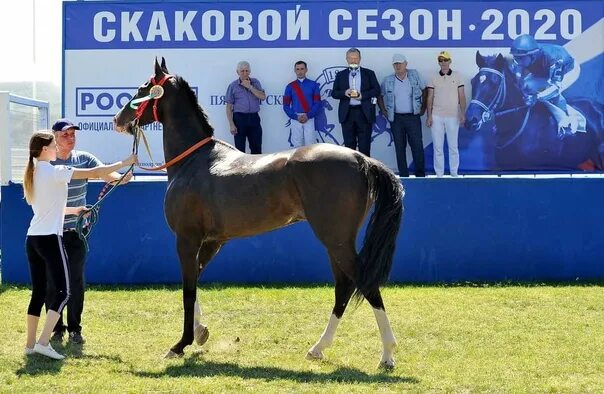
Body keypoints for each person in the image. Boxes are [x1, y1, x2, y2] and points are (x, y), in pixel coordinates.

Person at [23, 131, 136, 360]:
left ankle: (29, 345)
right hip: (49, 239)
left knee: (39, 292)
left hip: (32, 238)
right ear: (44, 149)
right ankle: (44, 342)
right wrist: (126, 162)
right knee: (64, 292)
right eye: (54, 143)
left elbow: (48, 209)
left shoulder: (34, 172)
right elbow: (95, 172)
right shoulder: (56, 171)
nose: (57, 147)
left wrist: (76, 210)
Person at [510, 34, 579, 137]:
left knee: (553, 96)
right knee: (525, 88)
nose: (518, 62)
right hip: (542, 72)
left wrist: (536, 96)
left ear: (532, 56)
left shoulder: (555, 58)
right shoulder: (526, 57)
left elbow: (555, 88)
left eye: (521, 59)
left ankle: (567, 122)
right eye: (516, 58)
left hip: (567, 71)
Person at [380, 53, 427, 177]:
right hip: (396, 119)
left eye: (400, 63)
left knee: (417, 146)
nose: (398, 66)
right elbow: (379, 95)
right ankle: (403, 175)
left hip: (413, 117)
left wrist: (423, 107)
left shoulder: (415, 75)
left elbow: (424, 89)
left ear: (406, 64)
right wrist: (384, 111)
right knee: (400, 148)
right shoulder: (388, 80)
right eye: (395, 63)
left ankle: (420, 175)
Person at [331, 48, 380, 157]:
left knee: (365, 146)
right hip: (347, 114)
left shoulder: (369, 73)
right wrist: (345, 92)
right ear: (346, 59)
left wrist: (362, 96)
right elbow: (334, 93)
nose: (353, 60)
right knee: (348, 146)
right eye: (351, 58)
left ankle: (366, 173)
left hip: (364, 113)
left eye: (356, 58)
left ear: (360, 59)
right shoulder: (341, 75)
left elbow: (377, 90)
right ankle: (350, 172)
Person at [426, 51, 466, 177]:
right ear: (438, 62)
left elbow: (462, 96)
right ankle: (439, 174)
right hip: (436, 116)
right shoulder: (433, 77)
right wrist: (429, 116)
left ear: (450, 61)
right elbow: (430, 97)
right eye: (441, 60)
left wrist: (462, 113)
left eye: (445, 60)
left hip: (453, 116)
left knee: (453, 147)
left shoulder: (458, 76)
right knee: (438, 147)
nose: (443, 63)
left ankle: (454, 173)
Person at [225, 61, 266, 154]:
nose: (245, 73)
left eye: (247, 71)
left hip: (254, 118)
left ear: (250, 71)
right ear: (237, 72)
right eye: (242, 71)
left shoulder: (255, 82)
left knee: (256, 148)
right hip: (239, 119)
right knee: (239, 150)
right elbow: (228, 107)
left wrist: (250, 87)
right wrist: (231, 124)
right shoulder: (233, 86)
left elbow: (262, 97)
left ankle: (257, 169)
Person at [282, 61, 321, 147]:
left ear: (306, 70)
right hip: (296, 118)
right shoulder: (290, 86)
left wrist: (309, 115)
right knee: (296, 146)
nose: (300, 71)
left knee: (310, 146)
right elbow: (285, 105)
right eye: (298, 69)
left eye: (302, 69)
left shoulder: (313, 85)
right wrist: (296, 117)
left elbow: (317, 103)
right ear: (295, 70)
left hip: (309, 118)